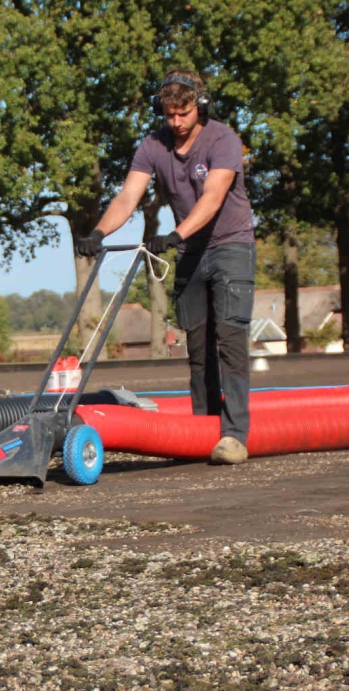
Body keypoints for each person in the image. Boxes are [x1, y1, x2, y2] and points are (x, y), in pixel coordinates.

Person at [75, 70, 255, 465]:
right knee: (198, 346)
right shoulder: (153, 146)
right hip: (191, 251)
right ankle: (203, 432)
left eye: (184, 113)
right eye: (169, 114)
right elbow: (128, 195)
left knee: (230, 339)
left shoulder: (223, 139)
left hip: (230, 247)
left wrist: (175, 234)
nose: (176, 123)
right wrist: (98, 231)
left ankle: (234, 436)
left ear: (200, 108)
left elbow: (213, 196)